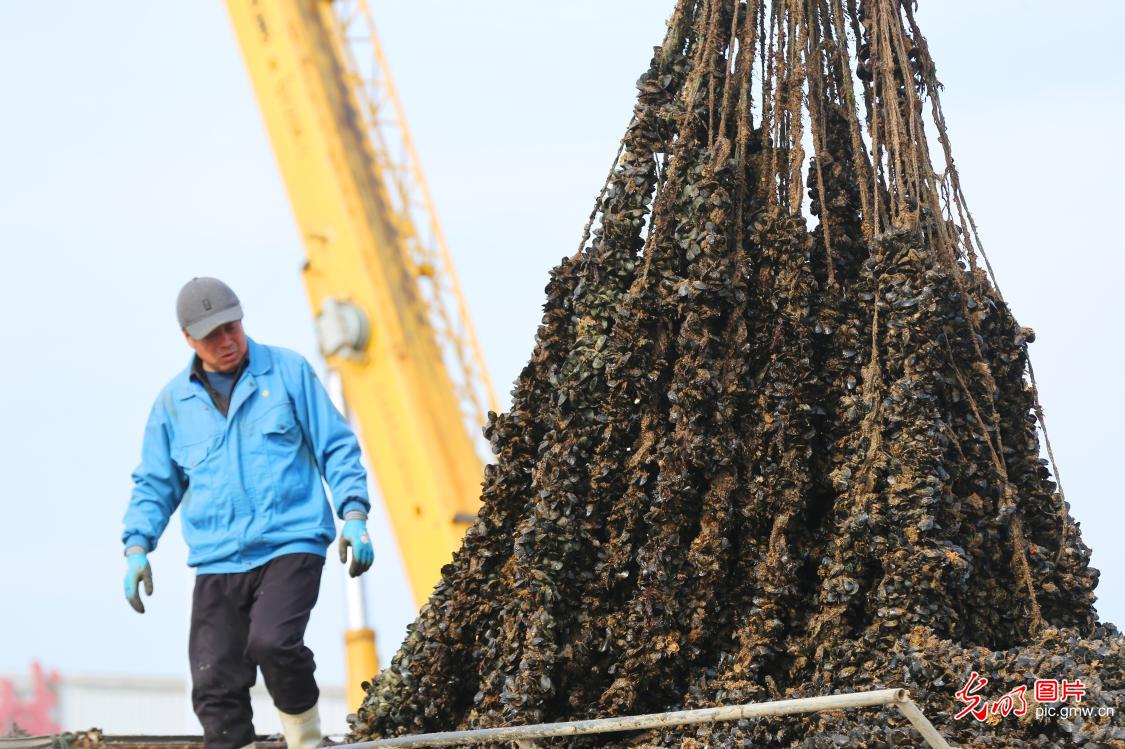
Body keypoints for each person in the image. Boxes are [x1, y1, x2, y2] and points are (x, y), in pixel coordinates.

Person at [121, 277, 375, 749]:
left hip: (290, 544)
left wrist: (354, 514)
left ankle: (306, 741)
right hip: (218, 560)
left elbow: (336, 447)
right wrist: (137, 545)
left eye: (231, 327)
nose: (226, 342)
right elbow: (156, 484)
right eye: (211, 335)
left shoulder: (289, 373)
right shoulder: (173, 405)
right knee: (214, 680)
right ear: (188, 339)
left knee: (273, 644)